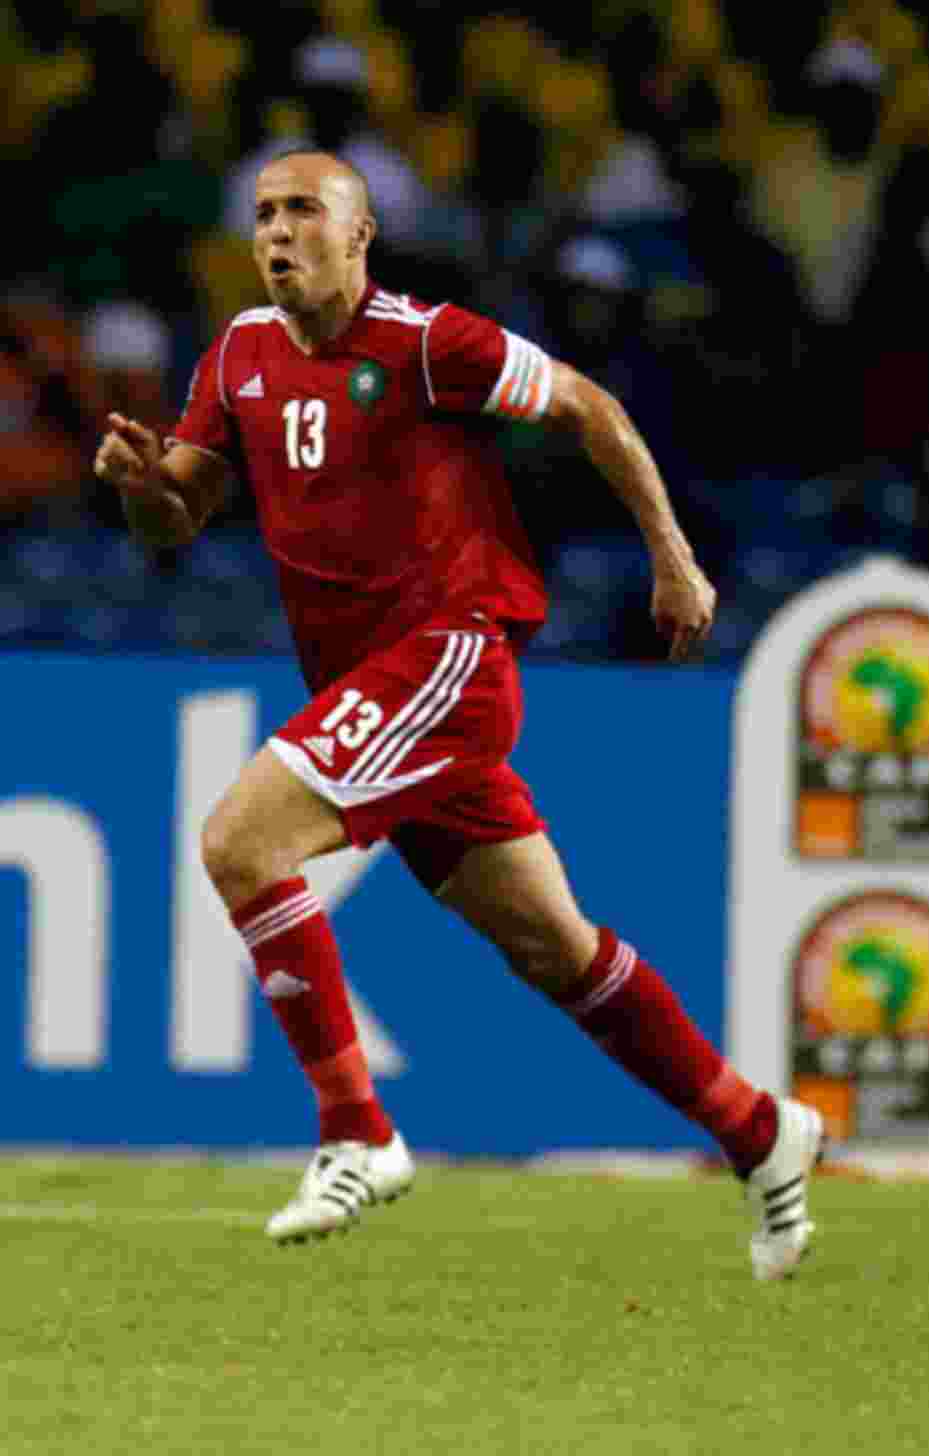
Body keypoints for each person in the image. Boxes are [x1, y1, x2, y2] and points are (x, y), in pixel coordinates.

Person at [94, 151, 822, 1280]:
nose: (278, 233)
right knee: (555, 948)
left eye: (303, 212)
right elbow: (175, 523)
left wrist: (672, 558)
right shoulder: (237, 355)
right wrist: (146, 489)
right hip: (367, 686)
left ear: (361, 231)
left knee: (240, 841)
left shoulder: (429, 342)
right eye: (264, 215)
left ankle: (356, 1130)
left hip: (448, 658)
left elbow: (588, 403)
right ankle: (760, 1131)